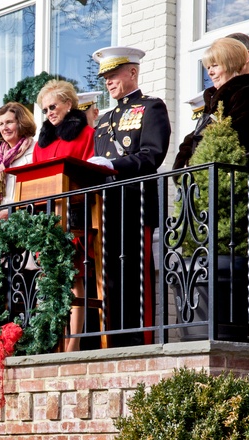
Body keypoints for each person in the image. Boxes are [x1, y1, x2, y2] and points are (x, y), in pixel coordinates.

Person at [88, 46, 171, 347]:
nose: (108, 82)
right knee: (110, 275)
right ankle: (113, 337)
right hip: (107, 206)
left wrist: (114, 164)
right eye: (105, 77)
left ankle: (139, 337)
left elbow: (152, 154)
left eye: (113, 75)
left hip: (134, 201)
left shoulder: (151, 107)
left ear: (132, 72)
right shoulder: (105, 119)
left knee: (136, 273)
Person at [33, 80, 96, 352]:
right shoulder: (41, 144)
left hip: (76, 215)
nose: (49, 113)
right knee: (49, 280)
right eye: (45, 109)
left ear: (68, 104)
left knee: (74, 278)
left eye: (53, 106)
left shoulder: (86, 134)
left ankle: (73, 343)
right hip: (48, 219)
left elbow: (90, 173)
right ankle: (53, 342)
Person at [173, 37, 249, 171]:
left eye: (215, 66)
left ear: (231, 64)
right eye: (208, 67)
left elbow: (232, 135)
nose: (210, 72)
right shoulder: (213, 98)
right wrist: (182, 164)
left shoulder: (247, 93)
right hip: (209, 177)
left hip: (234, 178)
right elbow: (197, 135)